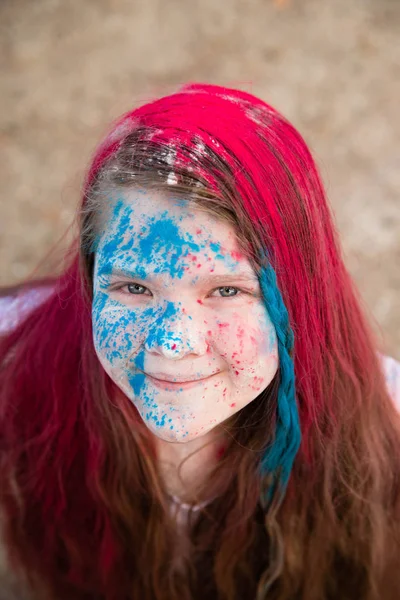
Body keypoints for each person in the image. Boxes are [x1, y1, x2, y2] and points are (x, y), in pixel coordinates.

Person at [0, 83, 399, 600]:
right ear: (90, 277)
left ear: (301, 294)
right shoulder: (13, 364)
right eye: (134, 287)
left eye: (227, 289)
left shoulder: (387, 423)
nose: (172, 343)